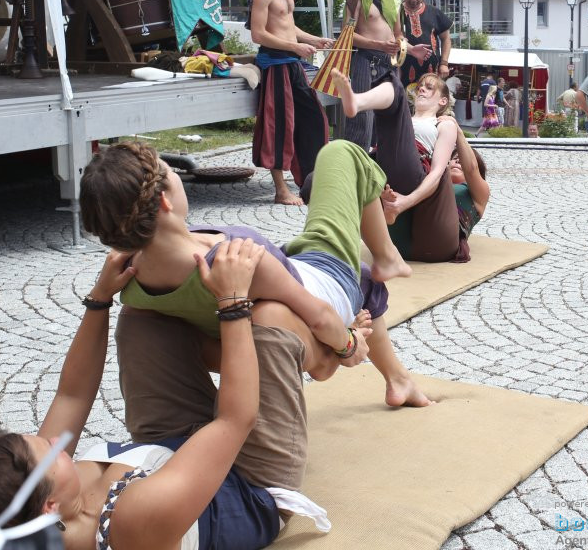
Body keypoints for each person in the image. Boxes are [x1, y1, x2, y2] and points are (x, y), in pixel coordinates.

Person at [0, 239, 332, 549]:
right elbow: (235, 420)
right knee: (268, 320)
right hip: (250, 479)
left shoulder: (48, 500)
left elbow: (71, 394)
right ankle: (329, 355)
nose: (55, 441)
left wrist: (99, 299)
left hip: (170, 449)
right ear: (49, 508)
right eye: (50, 453)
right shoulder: (134, 523)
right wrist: (232, 302)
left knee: (141, 320)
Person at [78, 139, 432, 407]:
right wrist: (349, 346)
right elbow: (322, 319)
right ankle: (387, 259)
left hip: (288, 276)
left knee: (299, 246)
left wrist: (102, 293)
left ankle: (398, 377)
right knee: (340, 153)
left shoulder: (129, 277)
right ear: (166, 201)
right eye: (173, 174)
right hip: (325, 286)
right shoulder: (236, 259)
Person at [333, 70, 466, 263]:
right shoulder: (404, 120)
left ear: (443, 101)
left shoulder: (443, 124)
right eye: (421, 85)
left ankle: (356, 102)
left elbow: (437, 172)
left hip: (412, 171)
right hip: (385, 162)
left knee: (394, 86)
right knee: (327, 168)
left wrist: (406, 201)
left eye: (429, 87)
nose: (421, 89)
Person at [247, 0, 334, 206]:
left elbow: (288, 26)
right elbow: (258, 35)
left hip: (292, 64)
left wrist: (312, 39)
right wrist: (294, 48)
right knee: (279, 127)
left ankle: (311, 180)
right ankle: (280, 190)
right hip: (274, 65)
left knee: (314, 118)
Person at [342, 0, 431, 149]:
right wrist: (379, 44)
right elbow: (347, 36)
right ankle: (355, 171)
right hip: (365, 61)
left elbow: (397, 35)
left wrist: (411, 49)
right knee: (361, 120)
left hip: (389, 65)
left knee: (390, 117)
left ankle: (384, 172)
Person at [400, 0, 452, 86]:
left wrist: (444, 63)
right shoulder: (396, 12)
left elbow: (446, 38)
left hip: (431, 73)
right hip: (401, 73)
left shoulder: (434, 12)